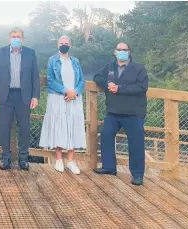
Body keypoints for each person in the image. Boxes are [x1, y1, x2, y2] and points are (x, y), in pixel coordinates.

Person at [93, 42, 148, 186]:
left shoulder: (139, 68)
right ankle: (109, 167)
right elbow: (97, 77)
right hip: (113, 111)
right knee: (106, 135)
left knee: (136, 143)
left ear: (129, 52)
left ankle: (137, 175)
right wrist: (107, 84)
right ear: (115, 52)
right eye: (119, 49)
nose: (122, 52)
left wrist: (119, 88)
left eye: (125, 50)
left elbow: (142, 87)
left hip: (134, 112)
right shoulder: (109, 67)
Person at [0, 27, 40, 170]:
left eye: (18, 36)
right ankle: (5, 158)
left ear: (22, 39)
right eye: (13, 36)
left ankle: (23, 159)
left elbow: (35, 77)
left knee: (24, 128)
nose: (15, 39)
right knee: (4, 127)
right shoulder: (0, 52)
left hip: (24, 96)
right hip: (5, 95)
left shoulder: (30, 53)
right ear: (9, 38)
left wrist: (35, 96)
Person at [39, 36, 86, 175]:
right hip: (58, 97)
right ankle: (59, 159)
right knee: (59, 125)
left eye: (66, 43)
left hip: (74, 99)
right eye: (61, 43)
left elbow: (82, 80)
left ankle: (71, 161)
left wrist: (75, 92)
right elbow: (50, 80)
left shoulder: (75, 61)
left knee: (73, 126)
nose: (64, 45)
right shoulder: (52, 60)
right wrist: (65, 91)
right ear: (57, 45)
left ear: (70, 45)